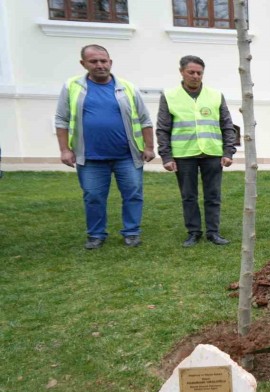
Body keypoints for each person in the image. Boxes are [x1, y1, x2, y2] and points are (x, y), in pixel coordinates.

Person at [55, 44, 155, 250]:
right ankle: (96, 234)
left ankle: (132, 232)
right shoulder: (72, 87)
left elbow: (145, 119)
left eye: (104, 61)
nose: (100, 65)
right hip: (90, 157)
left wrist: (149, 146)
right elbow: (61, 119)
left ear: (110, 62)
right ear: (83, 64)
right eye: (94, 61)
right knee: (93, 196)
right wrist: (65, 149)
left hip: (127, 155)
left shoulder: (127, 87)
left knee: (133, 193)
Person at [156, 55, 237, 247]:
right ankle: (193, 232)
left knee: (213, 195)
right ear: (182, 72)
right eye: (191, 72)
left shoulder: (215, 95)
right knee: (188, 196)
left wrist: (228, 152)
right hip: (184, 154)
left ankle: (213, 232)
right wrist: (166, 156)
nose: (195, 76)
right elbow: (163, 128)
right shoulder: (169, 95)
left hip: (212, 153)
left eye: (199, 73)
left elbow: (227, 125)